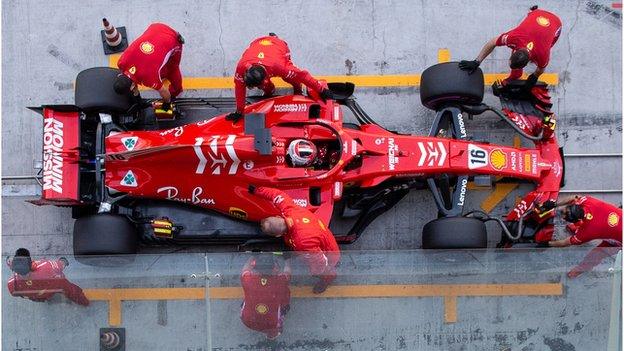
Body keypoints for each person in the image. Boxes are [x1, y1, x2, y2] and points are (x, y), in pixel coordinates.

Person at [249, 186, 340, 293]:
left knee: (324, 272)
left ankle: (327, 280)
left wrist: (315, 271)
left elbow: (319, 261)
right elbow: (277, 195)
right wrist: (257, 190)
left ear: (278, 235)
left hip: (329, 254)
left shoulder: (302, 242)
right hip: (321, 237)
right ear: (279, 218)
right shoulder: (290, 209)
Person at [226, 33, 334, 122]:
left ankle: (297, 90)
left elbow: (302, 75)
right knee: (265, 87)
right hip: (258, 42)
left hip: (279, 46)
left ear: (266, 77)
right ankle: (269, 91)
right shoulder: (242, 67)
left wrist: (322, 90)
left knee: (291, 78)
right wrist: (239, 111)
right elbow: (239, 88)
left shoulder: (281, 67)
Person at [459, 6, 562, 88]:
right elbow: (492, 42)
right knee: (532, 16)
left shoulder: (543, 54)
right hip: (537, 14)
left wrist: (534, 77)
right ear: (515, 50)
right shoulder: (514, 37)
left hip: (556, 23)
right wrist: (476, 62)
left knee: (548, 44)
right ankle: (533, 11)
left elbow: (540, 69)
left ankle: (516, 73)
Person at [542, 196, 622, 278]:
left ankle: (580, 270)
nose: (561, 215)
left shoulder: (587, 232)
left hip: (619, 241)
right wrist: (554, 204)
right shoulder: (588, 201)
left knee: (596, 254)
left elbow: (566, 242)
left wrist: (548, 244)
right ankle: (577, 228)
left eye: (564, 216)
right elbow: (573, 197)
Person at [114, 22, 184, 105]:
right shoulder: (121, 62)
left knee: (173, 69)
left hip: (173, 39)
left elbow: (164, 92)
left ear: (133, 86)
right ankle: (163, 73)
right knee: (155, 66)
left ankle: (177, 90)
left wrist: (167, 103)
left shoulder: (149, 79)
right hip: (155, 28)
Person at [6, 248, 90, 306]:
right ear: (31, 264)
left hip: (41, 296)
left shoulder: (12, 285)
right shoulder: (46, 267)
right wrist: (63, 261)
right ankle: (84, 302)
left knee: (43, 297)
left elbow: (19, 294)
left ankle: (47, 299)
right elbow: (60, 265)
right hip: (55, 285)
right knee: (70, 290)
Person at [240, 254, 291, 340]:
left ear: (255, 269)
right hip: (271, 325)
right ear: (274, 268)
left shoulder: (247, 279)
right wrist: (287, 260)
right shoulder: (281, 281)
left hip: (248, 321)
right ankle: (272, 335)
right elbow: (288, 272)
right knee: (285, 298)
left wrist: (253, 255)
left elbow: (245, 269)